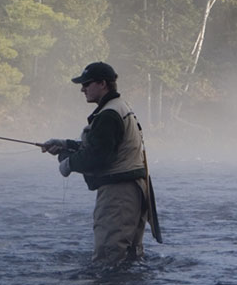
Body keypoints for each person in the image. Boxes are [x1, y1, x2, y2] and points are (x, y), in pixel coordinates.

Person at [41, 62, 160, 265]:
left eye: (87, 84)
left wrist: (68, 164)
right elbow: (104, 146)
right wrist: (65, 145)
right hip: (135, 189)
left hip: (119, 193)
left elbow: (98, 157)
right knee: (129, 257)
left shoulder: (108, 114)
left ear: (103, 84)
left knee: (109, 256)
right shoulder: (119, 107)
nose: (82, 89)